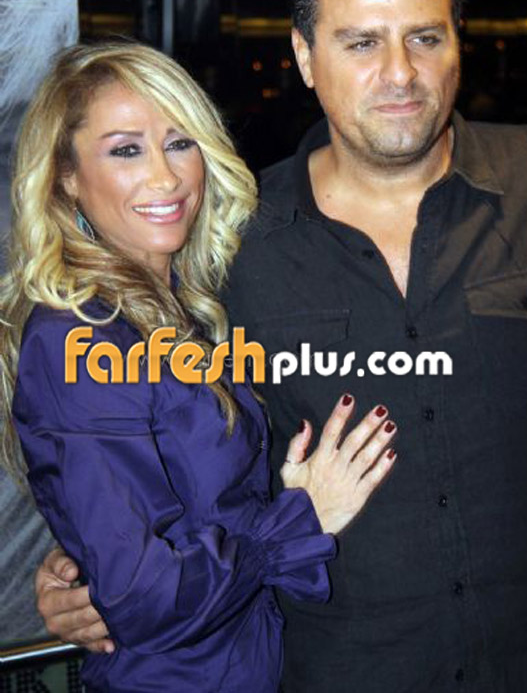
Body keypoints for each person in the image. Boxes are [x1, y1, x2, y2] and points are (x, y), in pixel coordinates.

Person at [36, 0, 527, 692]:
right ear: (305, 58)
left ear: (459, 44)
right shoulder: (226, 248)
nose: (400, 73)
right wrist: (89, 564)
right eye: (360, 43)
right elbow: (169, 451)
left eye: (424, 38)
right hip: (338, 669)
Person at [0, 41, 398, 692]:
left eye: (180, 142)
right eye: (126, 150)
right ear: (67, 175)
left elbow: (172, 514)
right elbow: (143, 596)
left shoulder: (187, 303)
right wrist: (300, 517)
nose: (165, 177)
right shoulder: (79, 337)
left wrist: (274, 498)